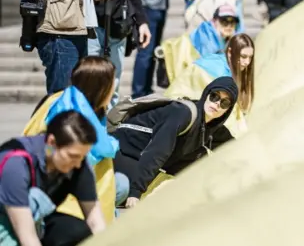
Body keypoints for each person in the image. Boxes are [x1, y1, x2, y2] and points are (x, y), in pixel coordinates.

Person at [24, 57, 127, 227]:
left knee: (122, 183)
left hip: (66, 178)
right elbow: (95, 153)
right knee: (120, 185)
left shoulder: (70, 100)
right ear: (101, 88)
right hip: (57, 185)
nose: (114, 89)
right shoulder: (73, 113)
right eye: (112, 84)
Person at [112, 77, 238, 207]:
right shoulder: (183, 114)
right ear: (206, 94)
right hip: (125, 150)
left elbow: (236, 148)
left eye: (224, 103)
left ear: (227, 110)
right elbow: (157, 151)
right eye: (214, 96)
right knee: (124, 191)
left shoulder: (213, 126)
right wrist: (136, 191)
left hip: (146, 157)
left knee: (202, 157)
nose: (217, 103)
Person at [0, 111, 104, 246]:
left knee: (78, 231)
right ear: (52, 142)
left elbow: (96, 222)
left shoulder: (78, 165)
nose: (78, 164)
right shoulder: (16, 164)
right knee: (34, 198)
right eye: (73, 156)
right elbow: (27, 237)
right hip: (8, 218)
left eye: (82, 157)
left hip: (36, 221)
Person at [165, 33, 255, 115]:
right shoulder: (218, 73)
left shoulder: (222, 62)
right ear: (230, 52)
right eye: (243, 56)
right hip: (175, 110)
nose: (247, 62)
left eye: (250, 57)